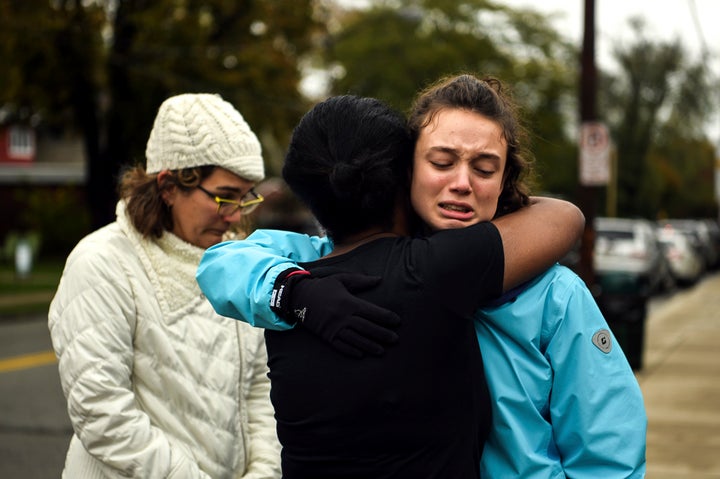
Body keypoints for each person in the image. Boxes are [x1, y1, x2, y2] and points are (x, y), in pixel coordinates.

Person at [198, 74, 647, 478]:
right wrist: (293, 291)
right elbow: (223, 262)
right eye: (442, 161)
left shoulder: (554, 295)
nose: (462, 182)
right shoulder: (332, 261)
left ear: (506, 177)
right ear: (404, 169)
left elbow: (609, 456)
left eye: (485, 168)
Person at [48, 93, 281, 478]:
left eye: (245, 198)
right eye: (224, 197)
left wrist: (264, 472)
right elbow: (102, 413)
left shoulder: (239, 261)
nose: (234, 215)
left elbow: (260, 388)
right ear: (169, 185)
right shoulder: (102, 264)